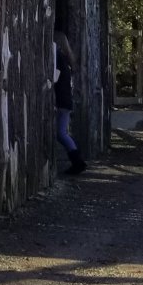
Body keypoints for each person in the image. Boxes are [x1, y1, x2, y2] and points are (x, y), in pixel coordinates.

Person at [52, 31, 86, 176]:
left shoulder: (58, 57)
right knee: (61, 132)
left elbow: (54, 78)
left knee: (61, 133)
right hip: (65, 99)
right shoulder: (66, 59)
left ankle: (78, 162)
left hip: (62, 100)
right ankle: (77, 162)